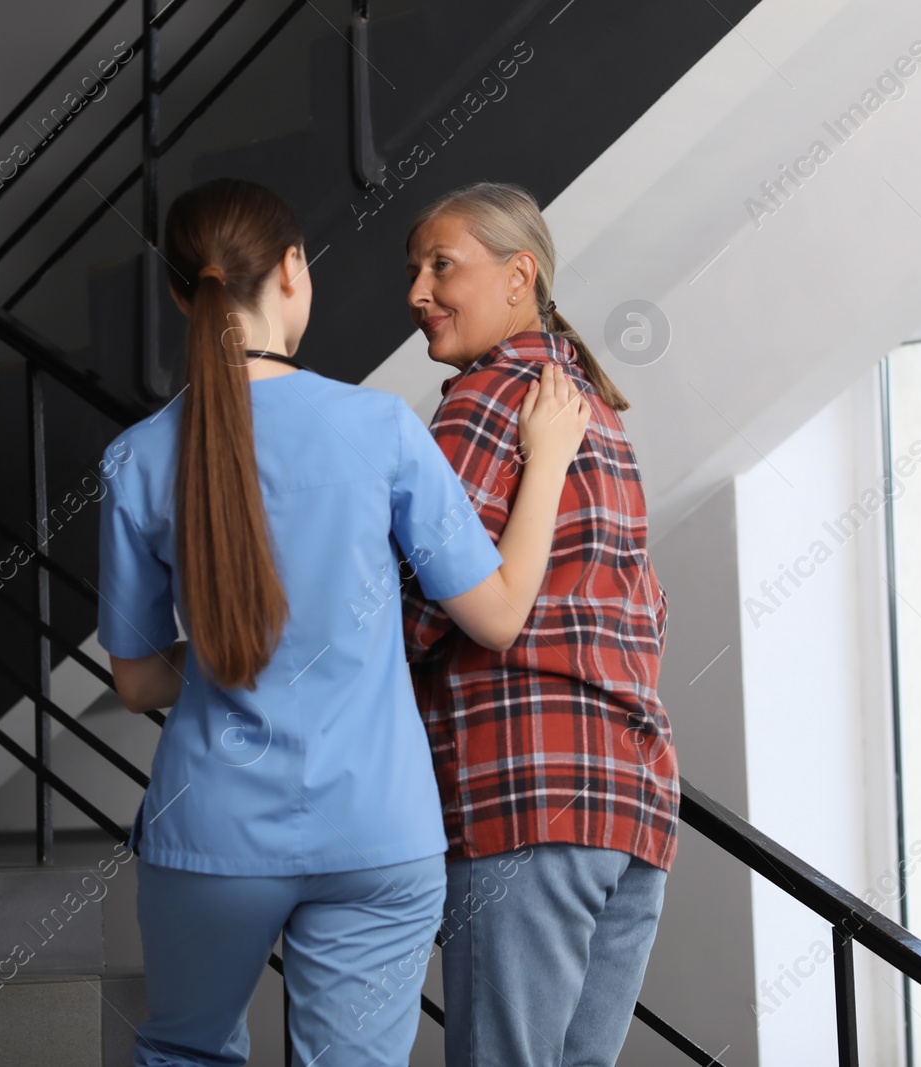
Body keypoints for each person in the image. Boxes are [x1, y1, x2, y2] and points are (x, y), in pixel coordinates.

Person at [95, 177, 590, 1067]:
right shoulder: (382, 429)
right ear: (293, 271)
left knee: (184, 1053)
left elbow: (135, 683)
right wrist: (546, 457)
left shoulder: (135, 458)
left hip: (211, 832)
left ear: (180, 293)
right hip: (377, 831)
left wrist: (218, 648)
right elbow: (500, 615)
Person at [401, 181, 681, 1067]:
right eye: (414, 269)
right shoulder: (587, 404)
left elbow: (412, 603)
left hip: (525, 794)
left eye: (441, 265)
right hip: (629, 801)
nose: (417, 290)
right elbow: (647, 608)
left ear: (519, 274)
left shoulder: (485, 397)